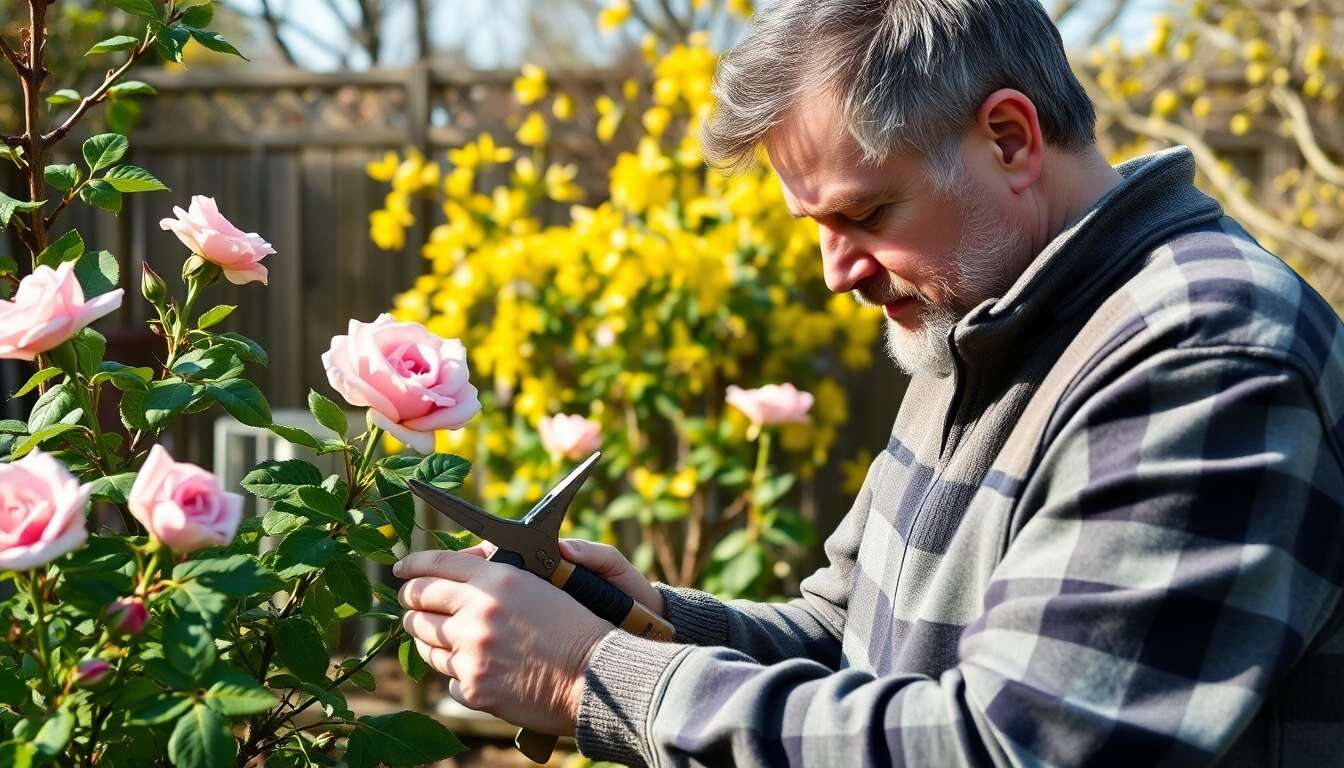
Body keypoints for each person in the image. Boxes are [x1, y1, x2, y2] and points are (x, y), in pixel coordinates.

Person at [394, 0, 1344, 764]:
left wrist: (588, 676)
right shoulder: (979, 320)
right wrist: (646, 619)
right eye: (817, 224)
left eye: (864, 213)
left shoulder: (1201, 353)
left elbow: (1013, 744)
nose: (834, 272)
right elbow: (853, 636)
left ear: (1010, 138)